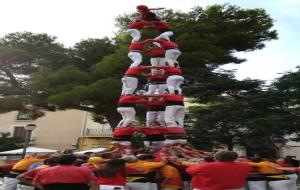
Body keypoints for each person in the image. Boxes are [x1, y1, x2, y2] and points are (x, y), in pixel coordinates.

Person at [186, 151, 251, 190]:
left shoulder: (207, 166)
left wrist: (198, 164)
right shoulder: (245, 165)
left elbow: (189, 170)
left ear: (216, 158)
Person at [33, 154, 98, 190]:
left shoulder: (45, 170)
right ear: (74, 161)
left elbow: (35, 182)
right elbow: (93, 183)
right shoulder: (84, 170)